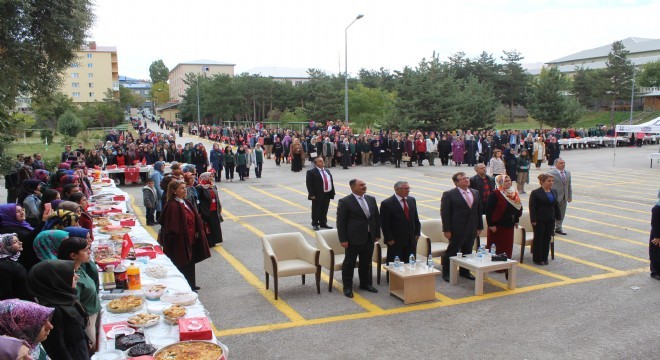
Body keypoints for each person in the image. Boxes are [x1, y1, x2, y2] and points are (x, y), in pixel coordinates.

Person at [28, 259, 89, 360]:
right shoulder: (53, 312)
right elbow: (58, 349)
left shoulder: (65, 298)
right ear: (55, 281)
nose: (77, 277)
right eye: (72, 275)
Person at [159, 180, 211, 290]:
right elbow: (170, 226)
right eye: (182, 188)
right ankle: (184, 287)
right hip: (180, 241)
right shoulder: (172, 205)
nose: (185, 190)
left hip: (190, 239)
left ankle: (191, 284)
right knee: (182, 263)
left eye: (185, 188)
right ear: (174, 191)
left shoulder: (185, 202)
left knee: (190, 263)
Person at [336, 179, 380, 298]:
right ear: (352, 187)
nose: (364, 186)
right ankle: (347, 287)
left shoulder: (371, 199)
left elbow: (375, 217)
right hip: (353, 239)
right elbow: (341, 222)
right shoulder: (345, 201)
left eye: (365, 184)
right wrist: (343, 239)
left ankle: (365, 284)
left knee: (366, 262)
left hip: (369, 237)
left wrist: (377, 234)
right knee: (349, 263)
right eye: (361, 185)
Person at [57, 236, 100, 351]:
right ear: (73, 255)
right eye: (86, 250)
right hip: (87, 322)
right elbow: (75, 307)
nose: (90, 252)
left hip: (93, 315)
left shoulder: (79, 267)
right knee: (93, 349)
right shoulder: (72, 277)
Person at [440, 172, 483, 282]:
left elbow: (478, 211)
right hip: (457, 228)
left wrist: (479, 226)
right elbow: (445, 213)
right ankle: (447, 273)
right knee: (452, 251)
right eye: (463, 179)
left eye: (467, 178)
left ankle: (465, 271)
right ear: (456, 182)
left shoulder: (475, 192)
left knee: (468, 251)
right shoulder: (449, 194)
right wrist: (447, 229)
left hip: (472, 227)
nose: (466, 180)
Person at [380, 181, 421, 264]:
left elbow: (415, 218)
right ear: (397, 189)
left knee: (410, 263)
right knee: (395, 264)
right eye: (406, 188)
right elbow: (384, 224)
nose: (408, 190)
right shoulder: (387, 203)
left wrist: (417, 233)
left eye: (409, 188)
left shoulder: (411, 200)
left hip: (411, 239)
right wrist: (389, 238)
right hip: (395, 241)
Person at [485, 175, 523, 259]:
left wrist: (516, 220)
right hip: (497, 225)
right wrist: (491, 225)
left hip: (509, 224)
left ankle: (506, 264)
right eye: (506, 181)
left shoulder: (513, 193)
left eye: (510, 180)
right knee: (497, 246)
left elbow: (517, 207)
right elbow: (489, 211)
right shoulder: (495, 194)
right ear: (500, 182)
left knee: (507, 245)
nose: (509, 182)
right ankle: (496, 266)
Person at [529, 173, 561, 265]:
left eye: (552, 181)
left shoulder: (554, 191)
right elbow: (532, 207)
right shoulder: (535, 193)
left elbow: (556, 205)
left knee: (547, 238)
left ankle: (544, 257)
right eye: (549, 181)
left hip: (550, 218)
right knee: (539, 238)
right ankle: (538, 258)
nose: (551, 183)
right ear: (542, 182)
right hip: (539, 219)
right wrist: (533, 220)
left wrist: (558, 216)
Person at [306, 157, 335, 231]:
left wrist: (332, 192)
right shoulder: (311, 172)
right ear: (316, 163)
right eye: (320, 161)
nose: (322, 162)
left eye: (322, 161)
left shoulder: (327, 171)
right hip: (317, 194)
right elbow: (309, 184)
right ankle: (315, 223)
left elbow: (330, 181)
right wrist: (311, 194)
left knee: (325, 209)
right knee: (316, 209)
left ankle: (323, 222)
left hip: (327, 193)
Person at [196, 172, 224, 247]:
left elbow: (216, 197)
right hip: (206, 210)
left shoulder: (213, 186)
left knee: (215, 225)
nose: (212, 177)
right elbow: (198, 199)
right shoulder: (200, 187)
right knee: (208, 226)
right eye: (210, 176)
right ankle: (209, 242)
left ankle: (215, 240)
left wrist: (219, 206)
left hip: (214, 209)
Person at [0, 233, 31, 301]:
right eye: (15, 242)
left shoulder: (14, 259)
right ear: (5, 246)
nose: (20, 242)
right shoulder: (3, 267)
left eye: (18, 240)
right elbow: (6, 291)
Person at [547, 158, 572, 235]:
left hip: (564, 196)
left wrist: (569, 196)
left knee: (561, 213)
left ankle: (559, 228)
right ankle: (550, 229)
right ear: (556, 165)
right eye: (561, 163)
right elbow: (547, 185)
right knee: (552, 213)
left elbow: (569, 185)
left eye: (564, 163)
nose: (563, 164)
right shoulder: (550, 173)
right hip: (554, 197)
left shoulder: (567, 172)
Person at [650, 190, 660, 280]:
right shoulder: (657, 208)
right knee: (656, 254)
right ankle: (655, 272)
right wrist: (657, 237)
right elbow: (654, 223)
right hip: (657, 236)